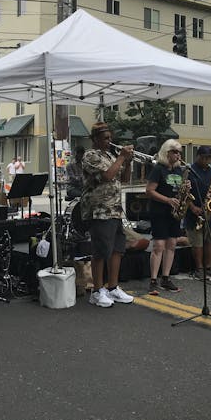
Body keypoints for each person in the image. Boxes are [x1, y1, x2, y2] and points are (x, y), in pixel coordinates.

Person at [81, 122, 135, 307]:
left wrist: (128, 162)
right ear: (95, 139)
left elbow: (125, 179)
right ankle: (97, 291)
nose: (109, 141)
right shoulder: (90, 156)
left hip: (115, 209)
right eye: (105, 138)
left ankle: (112, 288)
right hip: (99, 210)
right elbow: (107, 176)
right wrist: (121, 157)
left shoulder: (111, 155)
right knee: (101, 251)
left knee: (117, 249)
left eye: (110, 138)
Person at [145, 139, 185, 295]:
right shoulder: (158, 169)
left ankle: (166, 278)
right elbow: (149, 191)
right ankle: (153, 281)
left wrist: (185, 188)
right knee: (159, 246)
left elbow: (178, 189)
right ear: (166, 152)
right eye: (175, 151)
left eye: (179, 152)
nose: (178, 155)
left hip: (174, 212)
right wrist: (168, 200)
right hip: (160, 211)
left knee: (172, 245)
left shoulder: (179, 170)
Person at [185, 146, 211, 280]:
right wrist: (192, 207)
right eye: (203, 157)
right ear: (197, 156)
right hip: (196, 211)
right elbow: (183, 191)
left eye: (208, 158)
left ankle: (209, 267)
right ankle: (199, 268)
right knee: (197, 242)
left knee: (210, 241)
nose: (205, 160)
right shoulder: (189, 170)